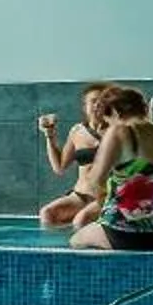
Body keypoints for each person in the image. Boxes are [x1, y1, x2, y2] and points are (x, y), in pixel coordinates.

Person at [69, 87, 153, 251]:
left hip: (123, 231)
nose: (108, 125)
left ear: (115, 112)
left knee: (76, 241)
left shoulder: (120, 131)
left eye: (108, 119)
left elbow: (95, 182)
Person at [37, 83, 119, 228]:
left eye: (102, 102)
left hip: (106, 197)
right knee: (47, 213)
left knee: (81, 220)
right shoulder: (77, 131)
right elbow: (60, 168)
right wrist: (49, 135)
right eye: (93, 101)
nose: (97, 105)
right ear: (85, 107)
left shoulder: (117, 132)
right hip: (80, 195)